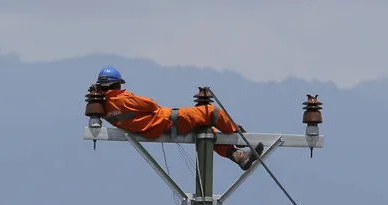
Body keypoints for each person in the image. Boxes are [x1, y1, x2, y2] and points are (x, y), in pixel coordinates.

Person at [94, 66, 264, 170]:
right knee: (212, 112)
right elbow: (151, 104)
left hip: (159, 129)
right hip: (169, 120)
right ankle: (242, 138)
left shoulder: (106, 109)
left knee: (208, 133)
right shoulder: (122, 99)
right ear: (117, 84)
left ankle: (238, 156)